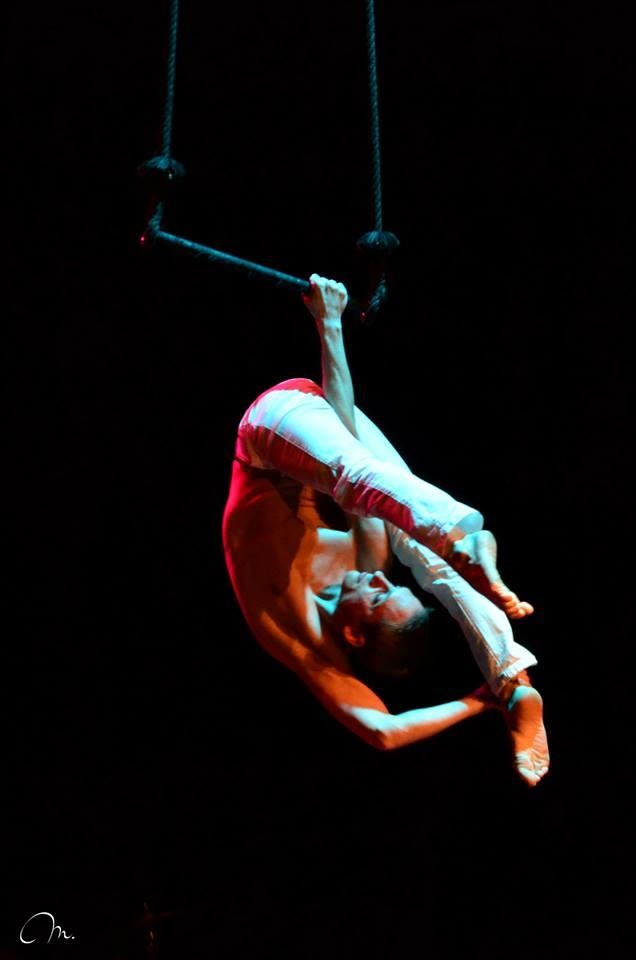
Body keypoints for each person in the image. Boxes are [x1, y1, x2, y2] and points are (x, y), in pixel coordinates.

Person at [222, 274, 549, 787]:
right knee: (410, 534)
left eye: (379, 597)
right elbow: (346, 433)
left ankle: (459, 542)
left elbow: (384, 731)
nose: (379, 578)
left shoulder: (297, 636)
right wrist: (331, 329)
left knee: (376, 497)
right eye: (391, 587)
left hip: (267, 433)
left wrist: (476, 703)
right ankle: (514, 679)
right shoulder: (367, 565)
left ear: (353, 633)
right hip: (326, 430)